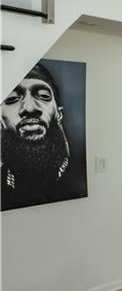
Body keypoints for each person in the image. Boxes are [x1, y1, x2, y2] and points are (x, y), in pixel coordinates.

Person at [1, 62, 85, 209]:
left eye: (43, 96)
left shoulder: (80, 176)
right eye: (12, 98)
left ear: (59, 114)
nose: (29, 108)